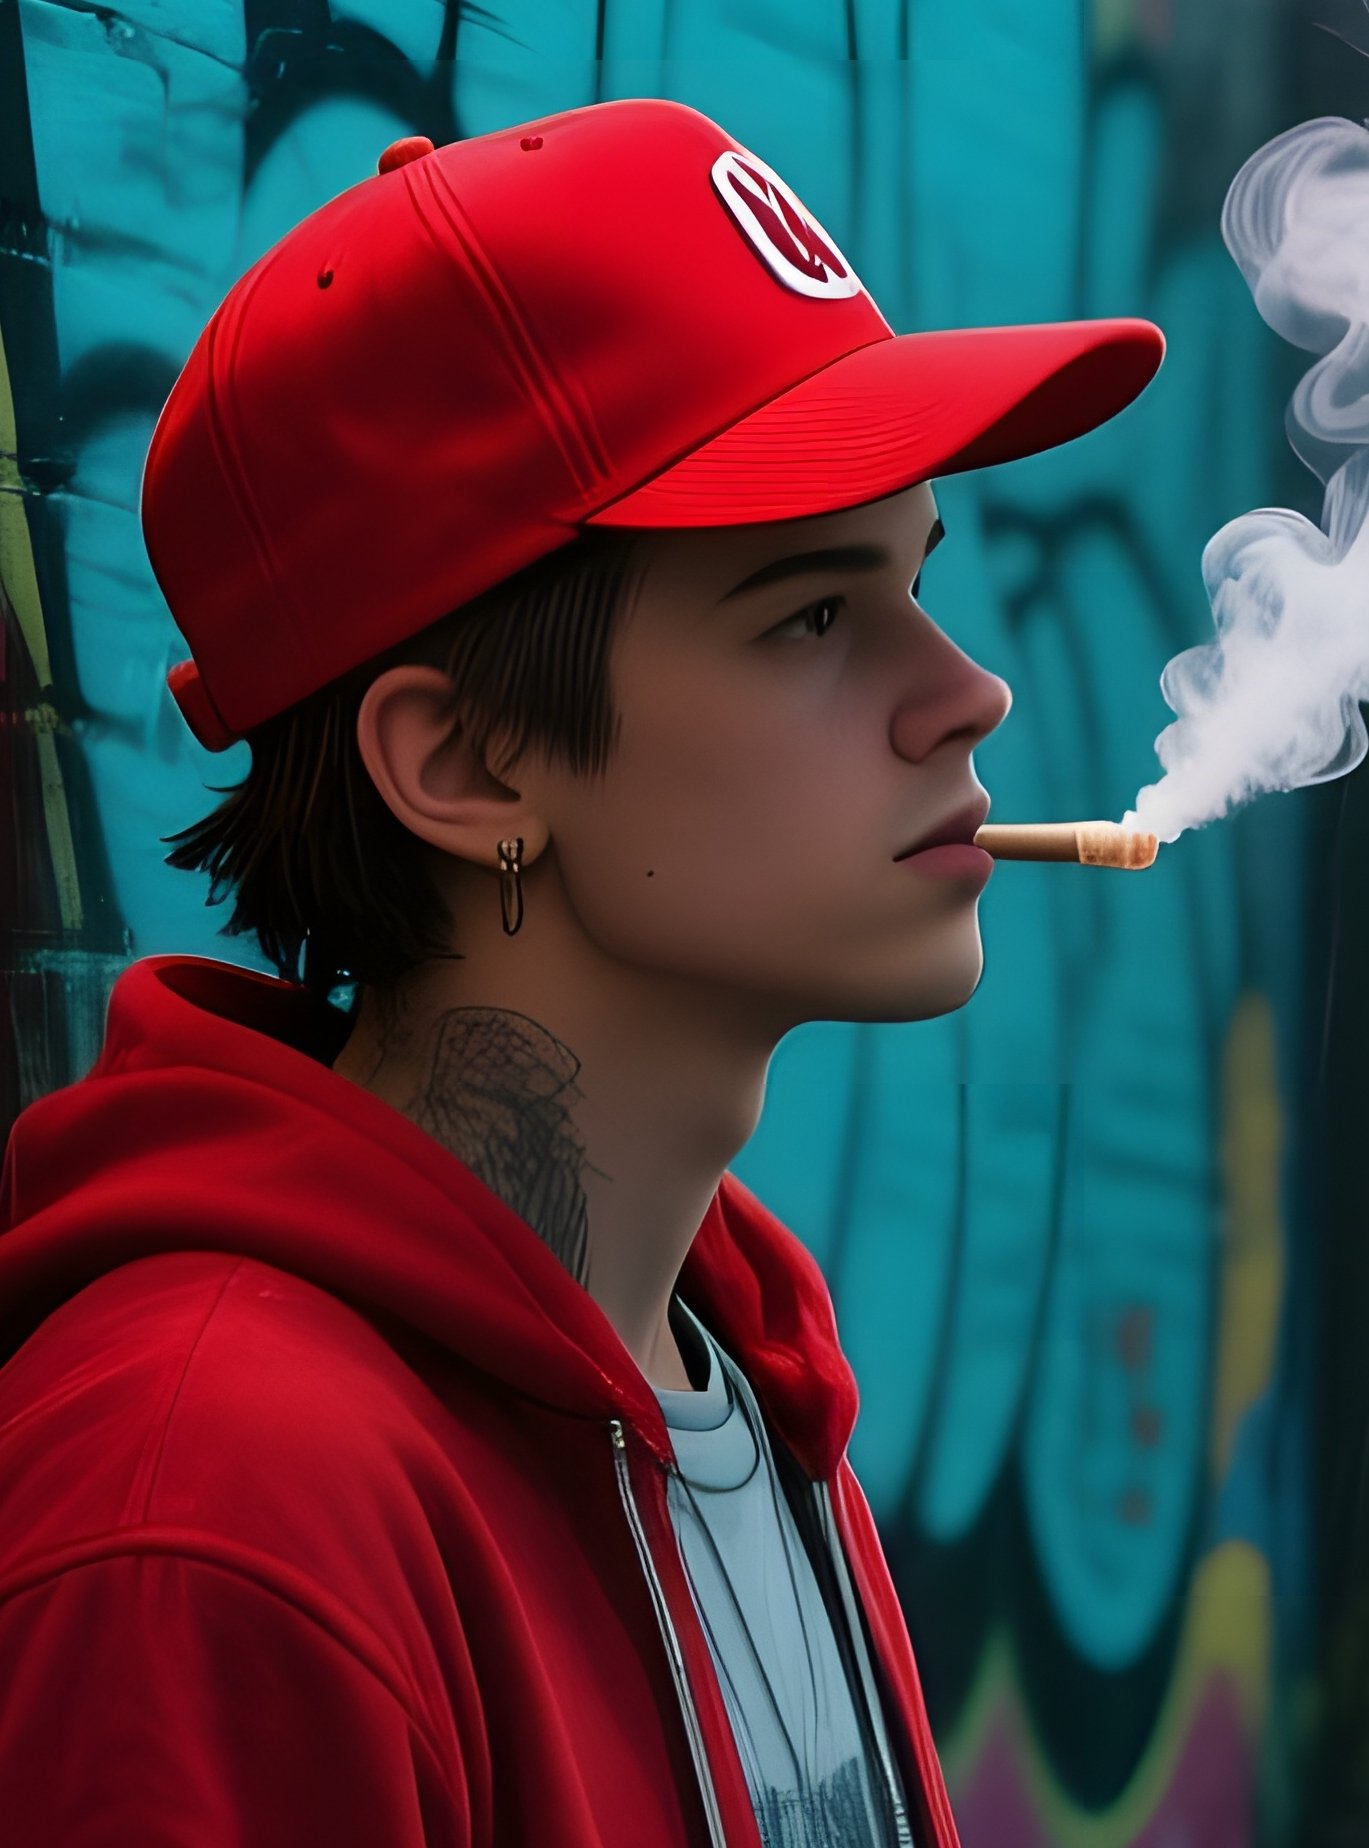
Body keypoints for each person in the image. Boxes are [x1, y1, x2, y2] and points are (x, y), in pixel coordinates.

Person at [0, 99, 1161, 1846]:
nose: (967, 692)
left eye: (915, 578)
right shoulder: (212, 1524)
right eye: (813, 615)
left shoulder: (740, 1400)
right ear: (463, 766)